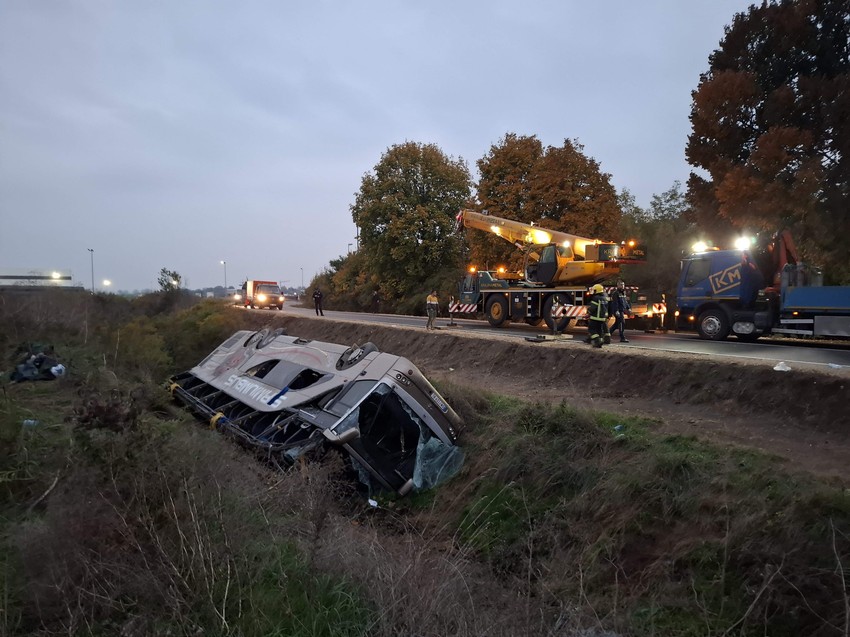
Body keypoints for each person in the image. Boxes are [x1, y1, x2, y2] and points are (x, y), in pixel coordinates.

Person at [587, 283, 609, 348]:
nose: (593, 292)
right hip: (602, 318)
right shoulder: (605, 298)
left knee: (592, 330)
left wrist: (588, 312)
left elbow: (593, 308)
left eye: (594, 290)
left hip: (595, 318)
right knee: (600, 330)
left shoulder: (595, 298)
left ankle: (597, 341)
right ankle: (601, 341)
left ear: (596, 291)